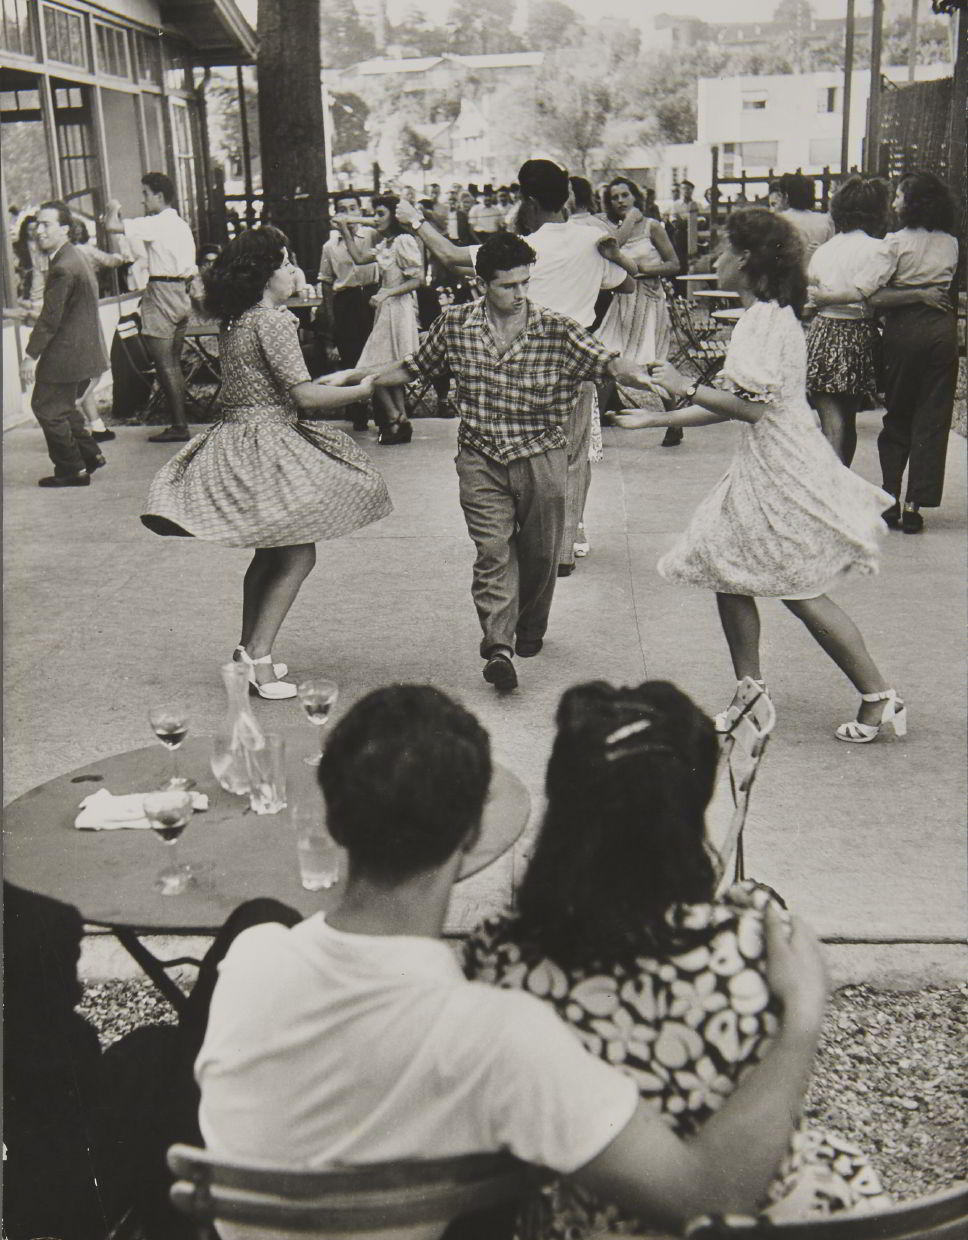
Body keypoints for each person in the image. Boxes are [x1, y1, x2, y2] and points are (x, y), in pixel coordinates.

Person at [196, 682, 830, 1240]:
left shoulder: (251, 960)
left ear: (333, 821)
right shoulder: (500, 1036)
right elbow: (708, 1200)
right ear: (472, 836)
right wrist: (802, 1015)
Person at [465, 679, 891, 1238]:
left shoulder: (498, 960)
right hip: (759, 1215)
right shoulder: (754, 947)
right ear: (690, 815)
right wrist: (801, 1007)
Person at [615, 208, 905, 745]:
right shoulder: (765, 317)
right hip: (768, 462)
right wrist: (660, 415)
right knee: (729, 571)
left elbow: (746, 408)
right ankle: (753, 693)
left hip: (781, 468)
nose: (716, 262)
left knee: (799, 589)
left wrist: (681, 386)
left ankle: (878, 695)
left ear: (745, 260)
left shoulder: (765, 321)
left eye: (722, 252)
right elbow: (737, 405)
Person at [366, 233, 658, 692]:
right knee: (492, 552)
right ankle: (498, 647)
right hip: (481, 457)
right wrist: (364, 381)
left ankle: (530, 627)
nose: (520, 294)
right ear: (483, 284)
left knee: (541, 554)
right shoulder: (456, 323)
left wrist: (642, 373)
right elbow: (414, 366)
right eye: (509, 286)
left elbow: (607, 362)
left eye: (525, 283)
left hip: (541, 454)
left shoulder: (555, 329)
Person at [140, 226, 391, 697]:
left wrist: (336, 378)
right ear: (264, 274)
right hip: (268, 441)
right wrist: (364, 389)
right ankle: (258, 656)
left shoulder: (238, 319)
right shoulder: (272, 321)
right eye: (285, 262)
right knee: (298, 552)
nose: (293, 270)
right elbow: (304, 396)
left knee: (270, 551)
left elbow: (277, 383)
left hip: (240, 438)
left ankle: (246, 651)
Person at [395, 159, 636, 579]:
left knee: (525, 455)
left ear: (527, 198)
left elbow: (452, 256)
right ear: (570, 196)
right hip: (576, 357)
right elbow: (628, 282)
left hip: (522, 356)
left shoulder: (525, 249)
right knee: (574, 455)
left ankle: (525, 540)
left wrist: (415, 220)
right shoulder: (590, 240)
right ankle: (564, 545)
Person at [868, 172, 959, 534]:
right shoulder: (950, 243)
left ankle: (889, 495)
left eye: (899, 196)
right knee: (933, 417)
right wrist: (928, 292)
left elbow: (874, 296)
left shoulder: (893, 243)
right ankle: (915, 504)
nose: (893, 203)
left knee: (899, 412)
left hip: (904, 331)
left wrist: (913, 293)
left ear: (912, 204)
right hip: (941, 330)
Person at [805, 175, 893, 465]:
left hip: (823, 332)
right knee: (847, 420)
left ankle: (830, 489)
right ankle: (839, 487)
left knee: (831, 422)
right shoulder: (878, 249)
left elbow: (813, 295)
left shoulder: (824, 251)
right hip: (858, 334)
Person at [20, 201, 108, 488]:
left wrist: (30, 357)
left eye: (47, 225)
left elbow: (50, 319)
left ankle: (72, 469)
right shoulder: (71, 257)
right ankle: (89, 454)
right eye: (38, 224)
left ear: (65, 229)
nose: (38, 230)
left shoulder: (63, 267)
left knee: (46, 408)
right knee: (61, 406)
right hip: (80, 351)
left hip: (67, 354)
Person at [104, 172, 197, 443]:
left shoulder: (158, 223)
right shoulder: (181, 224)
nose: (143, 200)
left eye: (145, 194)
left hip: (162, 291)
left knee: (164, 364)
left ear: (159, 195)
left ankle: (179, 425)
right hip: (181, 292)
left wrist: (113, 207)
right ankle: (181, 421)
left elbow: (112, 225)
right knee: (174, 364)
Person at [597, 176, 681, 445]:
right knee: (606, 357)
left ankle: (674, 422)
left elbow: (674, 264)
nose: (620, 201)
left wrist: (641, 270)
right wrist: (629, 220)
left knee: (653, 361)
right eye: (614, 197)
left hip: (649, 298)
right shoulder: (613, 230)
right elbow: (612, 251)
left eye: (625, 195)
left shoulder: (652, 227)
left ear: (635, 197)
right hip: (623, 300)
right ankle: (594, 432)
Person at [334, 194, 423, 445]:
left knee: (377, 366)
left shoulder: (404, 240)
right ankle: (400, 419)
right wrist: (345, 229)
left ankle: (397, 418)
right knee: (383, 364)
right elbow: (359, 259)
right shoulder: (387, 244)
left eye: (381, 214)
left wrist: (387, 292)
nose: (376, 219)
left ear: (394, 215)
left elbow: (418, 279)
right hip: (385, 308)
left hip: (399, 307)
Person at [72, 218, 130, 442]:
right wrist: (120, 246)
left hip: (80, 313)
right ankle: (66, 411)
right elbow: (113, 261)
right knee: (97, 370)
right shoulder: (84, 250)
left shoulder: (63, 254)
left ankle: (97, 426)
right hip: (87, 313)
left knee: (84, 373)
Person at [316, 193, 378, 377]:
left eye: (353, 209)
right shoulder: (330, 246)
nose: (348, 214)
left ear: (360, 211)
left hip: (371, 295)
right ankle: (354, 402)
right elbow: (326, 280)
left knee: (375, 350)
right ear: (335, 215)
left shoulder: (372, 236)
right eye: (343, 210)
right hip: (346, 300)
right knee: (351, 353)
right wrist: (331, 314)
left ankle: (379, 402)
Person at [768, 173, 834, 263]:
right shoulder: (825, 220)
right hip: (817, 272)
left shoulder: (780, 220)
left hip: (791, 273)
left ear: (787, 196)